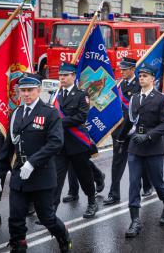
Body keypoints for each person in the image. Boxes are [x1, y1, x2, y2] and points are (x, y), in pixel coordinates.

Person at [0, 72, 72, 252]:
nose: (26, 94)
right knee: (15, 218)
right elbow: (9, 146)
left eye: (29, 90)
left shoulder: (49, 113)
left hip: (41, 173)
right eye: (22, 90)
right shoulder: (16, 114)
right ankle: (18, 246)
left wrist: (33, 162)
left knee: (46, 218)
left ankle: (63, 235)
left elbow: (56, 143)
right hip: (19, 174)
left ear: (38, 90)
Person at [115, 63, 164, 237]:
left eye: (145, 76)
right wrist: (119, 139)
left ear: (152, 79)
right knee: (134, 182)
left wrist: (148, 136)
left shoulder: (161, 99)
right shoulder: (134, 98)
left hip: (154, 146)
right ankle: (135, 221)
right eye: (140, 76)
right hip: (135, 146)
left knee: (157, 182)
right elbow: (129, 120)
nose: (141, 78)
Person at [103, 57, 153, 205]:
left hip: (136, 130)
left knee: (140, 160)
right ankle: (114, 194)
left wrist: (136, 127)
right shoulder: (118, 85)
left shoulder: (141, 84)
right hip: (119, 130)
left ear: (133, 70)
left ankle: (148, 185)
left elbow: (144, 107)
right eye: (121, 69)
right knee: (117, 162)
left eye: (125, 69)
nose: (122, 71)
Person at [52, 62, 97, 218]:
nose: (62, 78)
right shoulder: (56, 95)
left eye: (65, 75)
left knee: (84, 174)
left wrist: (58, 122)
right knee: (56, 177)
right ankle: (51, 211)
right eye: (60, 75)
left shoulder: (81, 94)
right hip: (60, 143)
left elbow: (81, 117)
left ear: (73, 76)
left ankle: (92, 202)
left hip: (77, 141)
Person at [0, 124, 36, 225]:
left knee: (21, 177)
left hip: (16, 149)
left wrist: (7, 133)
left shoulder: (20, 109)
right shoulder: (1, 108)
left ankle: (31, 202)